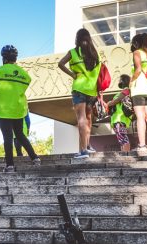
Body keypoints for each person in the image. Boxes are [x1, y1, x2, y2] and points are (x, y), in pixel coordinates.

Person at [0, 45, 41, 173]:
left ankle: (10, 165)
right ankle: (35, 158)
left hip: (3, 109)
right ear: (15, 58)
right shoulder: (23, 74)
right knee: (20, 134)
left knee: (7, 137)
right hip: (18, 109)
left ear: (3, 58)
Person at [57, 28, 100, 159]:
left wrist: (72, 74)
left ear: (77, 39)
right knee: (88, 118)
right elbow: (98, 75)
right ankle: (87, 146)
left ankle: (83, 151)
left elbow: (60, 64)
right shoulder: (94, 54)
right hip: (92, 90)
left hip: (79, 88)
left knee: (81, 119)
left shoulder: (73, 52)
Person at [129, 33, 147, 150]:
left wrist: (131, 81)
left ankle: (142, 145)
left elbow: (138, 69)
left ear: (136, 43)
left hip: (139, 88)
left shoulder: (137, 53)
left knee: (140, 117)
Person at [106, 74, 132, 152]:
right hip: (117, 118)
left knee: (123, 137)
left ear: (123, 80)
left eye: (120, 79)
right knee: (121, 138)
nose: (119, 81)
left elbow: (116, 101)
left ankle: (126, 154)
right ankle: (124, 153)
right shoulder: (124, 91)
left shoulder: (126, 90)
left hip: (121, 118)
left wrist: (108, 103)